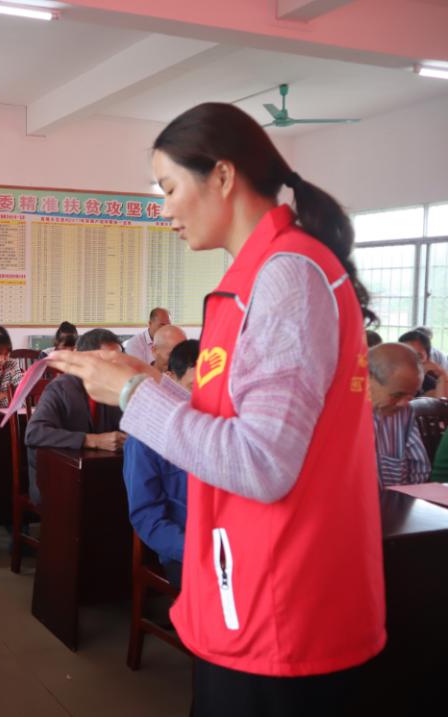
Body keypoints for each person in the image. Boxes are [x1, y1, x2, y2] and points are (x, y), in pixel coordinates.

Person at [49, 103, 384, 715]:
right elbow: (237, 418)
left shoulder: (285, 277)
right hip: (254, 590)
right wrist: (149, 380)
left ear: (224, 177)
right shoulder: (262, 273)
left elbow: (261, 461)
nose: (165, 208)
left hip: (280, 605)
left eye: (170, 187)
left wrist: (132, 397)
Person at [122, 339, 197, 589]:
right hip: (185, 547)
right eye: (192, 388)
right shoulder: (145, 435)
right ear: (171, 380)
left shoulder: (222, 426)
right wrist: (198, 552)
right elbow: (147, 516)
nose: (201, 400)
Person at [23, 328, 125, 503]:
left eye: (118, 361)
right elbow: (34, 433)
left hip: (98, 474)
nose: (114, 369)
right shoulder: (60, 388)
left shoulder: (115, 390)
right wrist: (92, 440)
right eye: (107, 361)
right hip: (57, 477)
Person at [368, 343, 431, 486]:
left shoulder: (404, 413)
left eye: (411, 396)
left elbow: (419, 469)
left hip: (397, 505)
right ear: (368, 378)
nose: (404, 403)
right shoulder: (336, 414)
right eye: (398, 394)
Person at [399, 329, 447, 397]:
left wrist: (442, 375)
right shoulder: (387, 379)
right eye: (406, 355)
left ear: (428, 358)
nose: (412, 361)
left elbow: (440, 404)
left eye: (419, 356)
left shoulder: (429, 383)